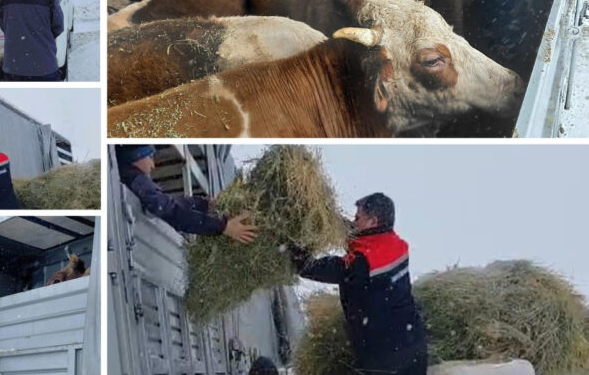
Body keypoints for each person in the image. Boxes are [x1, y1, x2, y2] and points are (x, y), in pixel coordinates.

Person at [289, 193, 427, 375]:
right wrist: (325, 216)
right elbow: (359, 238)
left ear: (373, 221)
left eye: (357, 218)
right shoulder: (396, 244)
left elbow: (311, 268)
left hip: (384, 359)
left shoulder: (362, 263)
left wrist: (292, 242)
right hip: (413, 348)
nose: (354, 222)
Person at [116, 145, 256, 243]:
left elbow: (167, 203)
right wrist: (223, 227)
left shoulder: (128, 177)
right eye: (150, 157)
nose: (153, 165)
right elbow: (169, 210)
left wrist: (204, 204)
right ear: (137, 156)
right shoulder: (135, 178)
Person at [0, 0, 65, 80]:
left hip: (13, 67)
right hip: (44, 67)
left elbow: (2, 22)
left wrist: (16, 32)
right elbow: (58, 27)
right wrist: (42, 36)